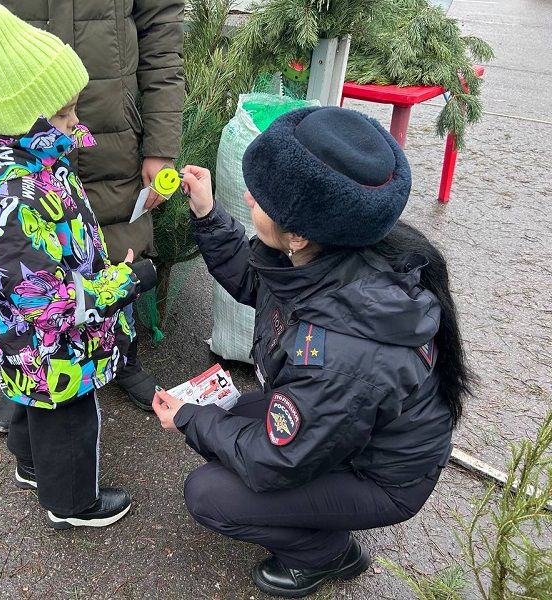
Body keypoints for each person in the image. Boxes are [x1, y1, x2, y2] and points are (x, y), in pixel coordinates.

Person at [153, 106, 472, 597]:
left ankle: (327, 555)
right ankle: (310, 519)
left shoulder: (345, 351)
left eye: (260, 198)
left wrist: (190, 420)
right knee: (234, 411)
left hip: (379, 477)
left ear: (298, 233)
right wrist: (208, 214)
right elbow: (257, 282)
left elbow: (272, 461)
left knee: (209, 493)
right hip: (351, 429)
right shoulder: (331, 255)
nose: (249, 196)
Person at [0, 0, 185, 430]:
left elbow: (160, 27)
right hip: (19, 124)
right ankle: (31, 380)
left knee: (107, 243)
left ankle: (115, 355)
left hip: (110, 126)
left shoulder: (74, 119)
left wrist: (161, 141)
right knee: (31, 271)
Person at [0, 4, 157, 528]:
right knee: (67, 413)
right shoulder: (19, 198)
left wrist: (95, 260)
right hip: (50, 337)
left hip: (20, 334)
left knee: (27, 394)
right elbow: (47, 301)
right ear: (23, 118)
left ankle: (31, 464)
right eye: (63, 115)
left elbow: (44, 256)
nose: (75, 123)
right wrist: (123, 283)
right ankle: (72, 502)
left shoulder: (8, 159)